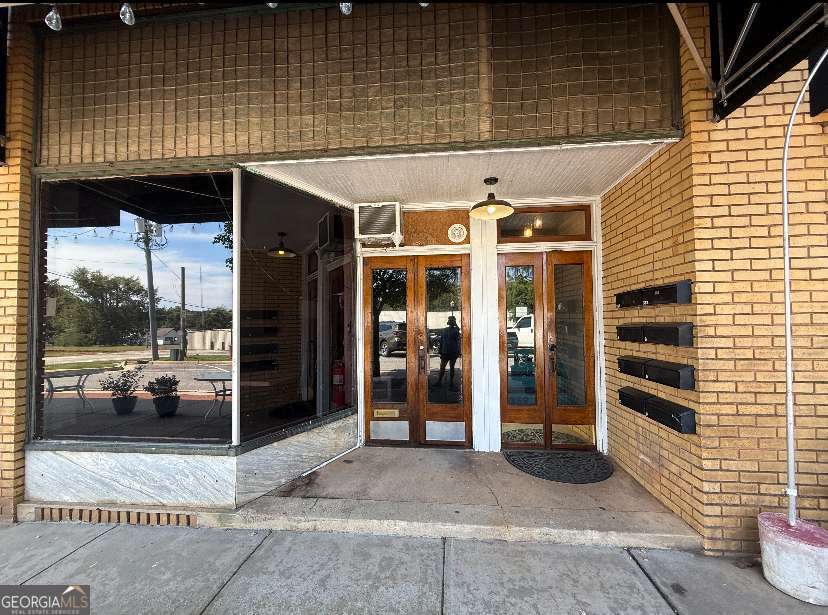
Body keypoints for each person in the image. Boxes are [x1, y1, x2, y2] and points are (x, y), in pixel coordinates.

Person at [433, 316, 461, 391]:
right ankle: (440, 381)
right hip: (447, 351)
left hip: (451, 351)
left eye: (452, 321)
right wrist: (440, 350)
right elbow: (441, 340)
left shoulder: (455, 330)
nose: (451, 322)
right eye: (451, 320)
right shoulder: (445, 330)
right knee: (443, 367)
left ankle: (449, 382)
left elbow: (458, 336)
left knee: (450, 367)